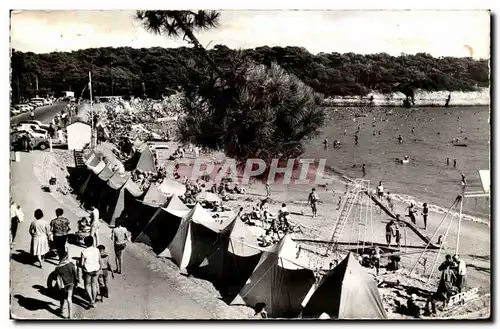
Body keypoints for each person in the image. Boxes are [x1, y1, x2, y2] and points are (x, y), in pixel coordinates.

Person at [54, 250, 78, 319]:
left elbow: (56, 277)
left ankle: (61, 309)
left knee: (62, 297)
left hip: (62, 285)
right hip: (70, 283)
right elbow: (75, 275)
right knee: (69, 298)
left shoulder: (57, 268)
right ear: (66, 256)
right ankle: (70, 316)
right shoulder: (71, 265)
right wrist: (76, 283)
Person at [78, 236, 101, 308]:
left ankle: (91, 301)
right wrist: (100, 268)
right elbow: (99, 260)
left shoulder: (84, 252)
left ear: (85, 243)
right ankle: (94, 300)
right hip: (96, 269)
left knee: (87, 285)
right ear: (93, 242)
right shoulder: (97, 250)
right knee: (94, 285)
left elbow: (82, 264)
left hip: (88, 270)